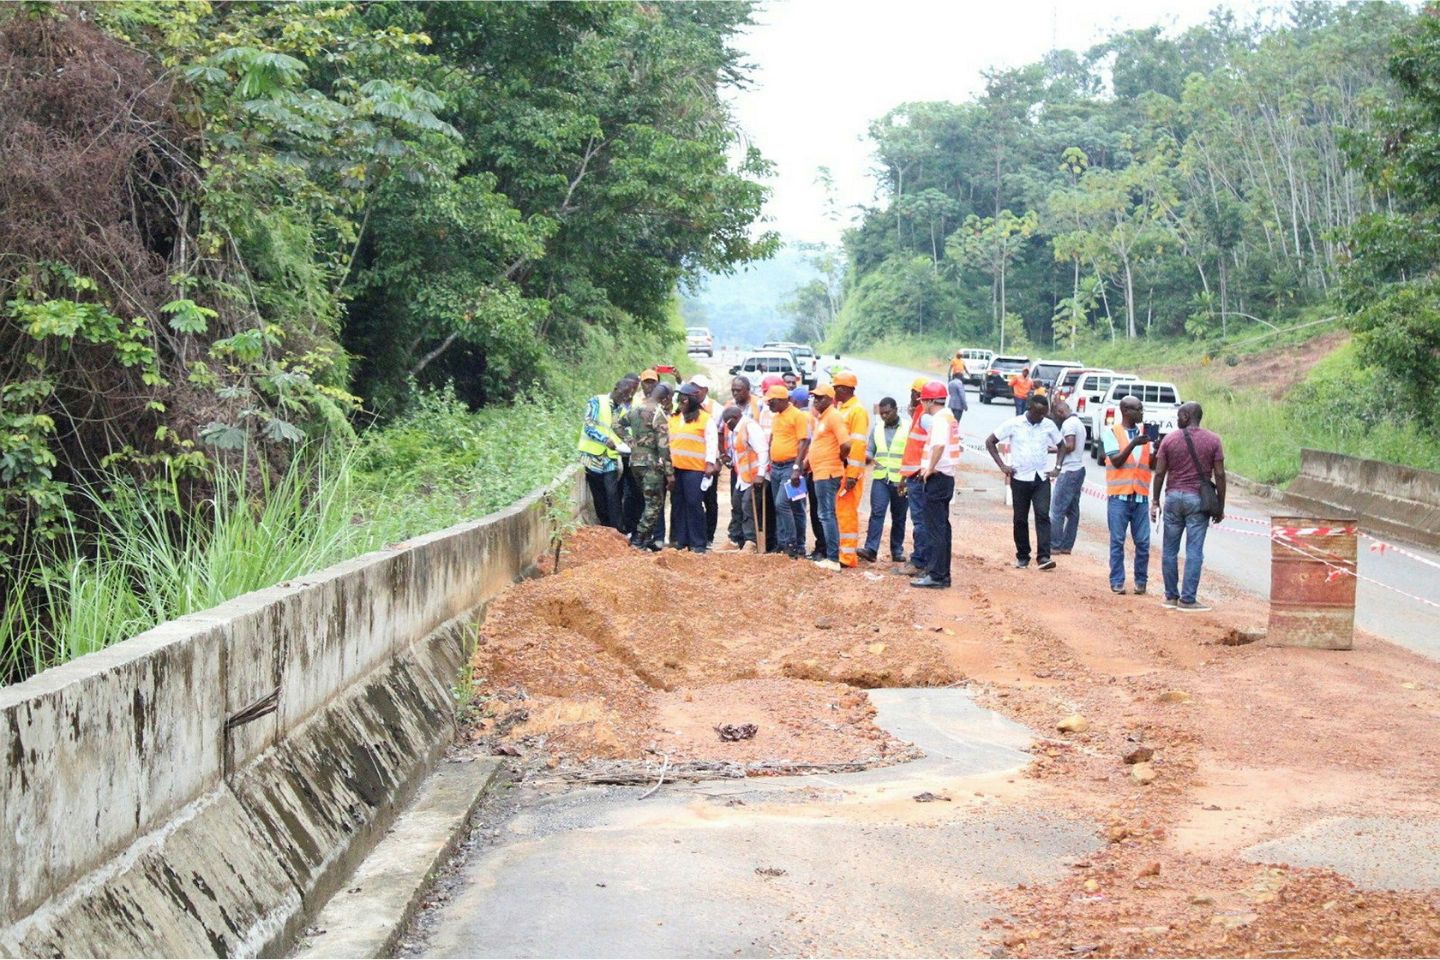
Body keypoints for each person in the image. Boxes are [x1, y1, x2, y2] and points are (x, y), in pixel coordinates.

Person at [1152, 402, 1226, 612]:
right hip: (1198, 500)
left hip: (1173, 497)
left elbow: (1159, 473)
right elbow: (1219, 475)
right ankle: (1188, 599)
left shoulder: (1169, 439)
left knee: (1169, 550)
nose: (1176, 419)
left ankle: (1170, 597)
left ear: (1185, 416)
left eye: (1178, 415)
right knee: (1194, 551)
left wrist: (1155, 501)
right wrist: (1220, 505)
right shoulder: (1213, 440)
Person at [986, 393, 1062, 571]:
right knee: (1020, 518)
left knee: (1043, 515)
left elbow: (1062, 445)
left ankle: (1044, 557)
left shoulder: (1048, 425)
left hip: (1041, 478)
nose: (1041, 417)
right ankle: (1022, 556)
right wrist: (1003, 466)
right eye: (1038, 413)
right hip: (1020, 478)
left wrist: (1057, 467)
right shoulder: (1014, 424)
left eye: (1044, 413)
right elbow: (990, 441)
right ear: (1029, 409)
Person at [1102, 395, 1156, 594]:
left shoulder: (1146, 435)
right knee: (1117, 541)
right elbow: (1116, 460)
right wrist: (1133, 444)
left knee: (1143, 542)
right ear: (1126, 412)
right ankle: (1117, 581)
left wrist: (1157, 449)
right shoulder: (1112, 433)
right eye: (1138, 409)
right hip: (1119, 497)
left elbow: (1153, 465)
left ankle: (1141, 581)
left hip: (1140, 497)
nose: (1142, 413)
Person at [912, 380, 961, 588]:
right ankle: (943, 573)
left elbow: (939, 445)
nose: (922, 404)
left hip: (938, 477)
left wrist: (929, 468)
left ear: (931, 400)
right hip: (946, 477)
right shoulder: (949, 417)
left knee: (935, 529)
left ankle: (936, 575)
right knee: (942, 528)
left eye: (923, 400)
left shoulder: (940, 420)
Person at [577, 377, 636, 529]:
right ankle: (604, 526)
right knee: (598, 493)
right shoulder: (597, 401)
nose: (625, 397)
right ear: (616, 388)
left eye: (628, 395)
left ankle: (616, 528)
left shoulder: (623, 410)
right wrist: (604, 439)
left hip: (610, 457)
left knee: (612, 492)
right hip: (591, 455)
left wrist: (631, 444)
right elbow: (589, 425)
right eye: (623, 393)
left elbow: (625, 432)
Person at [668, 383, 718, 552]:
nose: (680, 402)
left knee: (694, 503)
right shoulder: (674, 418)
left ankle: (698, 543)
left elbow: (712, 441)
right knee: (678, 503)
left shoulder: (704, 418)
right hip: (676, 468)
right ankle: (681, 541)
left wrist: (710, 463)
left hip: (694, 469)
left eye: (683, 399)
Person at [806, 384, 849, 571]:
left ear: (830, 399)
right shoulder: (822, 418)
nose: (816, 400)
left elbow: (846, 445)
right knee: (825, 513)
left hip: (828, 472)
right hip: (820, 472)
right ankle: (831, 556)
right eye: (815, 397)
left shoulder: (834, 417)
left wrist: (838, 459)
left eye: (820, 397)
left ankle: (832, 558)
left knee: (826, 514)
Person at [861, 397, 908, 563]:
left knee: (899, 516)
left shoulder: (907, 428)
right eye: (882, 413)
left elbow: (912, 453)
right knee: (877, 513)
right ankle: (871, 549)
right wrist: (867, 457)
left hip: (901, 480)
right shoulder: (877, 428)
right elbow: (870, 449)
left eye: (887, 412)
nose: (884, 416)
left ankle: (897, 550)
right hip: (881, 478)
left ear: (896, 410)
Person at [766, 384, 810, 558]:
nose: (769, 404)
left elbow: (804, 441)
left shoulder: (798, 416)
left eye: (772, 401)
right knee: (792, 506)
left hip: (790, 467)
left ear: (783, 400)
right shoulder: (776, 417)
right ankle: (784, 543)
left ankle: (793, 543)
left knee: (782, 504)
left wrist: (796, 468)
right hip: (776, 467)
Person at [627, 383, 673, 551]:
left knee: (647, 501)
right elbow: (663, 446)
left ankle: (645, 539)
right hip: (650, 464)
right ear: (666, 398)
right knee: (654, 503)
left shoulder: (636, 409)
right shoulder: (657, 413)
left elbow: (617, 423)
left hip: (635, 462)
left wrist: (629, 441)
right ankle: (638, 539)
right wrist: (670, 473)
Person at [832, 371, 869, 568]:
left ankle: (847, 557)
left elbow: (858, 445)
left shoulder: (857, 411)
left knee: (847, 512)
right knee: (839, 511)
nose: (833, 391)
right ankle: (840, 551)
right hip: (840, 469)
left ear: (843, 389)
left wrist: (853, 475)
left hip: (850, 472)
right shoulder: (842, 408)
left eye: (835, 387)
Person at [725, 376, 764, 551]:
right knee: (736, 503)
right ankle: (734, 540)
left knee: (749, 505)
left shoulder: (750, 427)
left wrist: (761, 474)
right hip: (743, 475)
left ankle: (751, 542)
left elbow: (763, 451)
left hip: (755, 475)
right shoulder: (737, 429)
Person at [898, 376, 932, 576]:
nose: (911, 397)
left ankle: (920, 561)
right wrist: (904, 477)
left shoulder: (926, 418)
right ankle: (921, 560)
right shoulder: (919, 414)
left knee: (921, 522)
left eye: (913, 393)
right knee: (920, 521)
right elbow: (912, 449)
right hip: (913, 475)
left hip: (920, 477)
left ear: (919, 395)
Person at [1048, 397, 1086, 555]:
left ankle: (1055, 545)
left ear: (1060, 412)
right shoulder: (1078, 422)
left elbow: (1069, 446)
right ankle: (1066, 545)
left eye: (1055, 415)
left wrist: (1050, 450)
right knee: (1072, 511)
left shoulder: (1069, 424)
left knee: (1056, 510)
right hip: (1078, 469)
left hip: (1069, 471)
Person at [690, 374, 720, 546]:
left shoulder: (716, 408)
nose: (694, 391)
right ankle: (695, 535)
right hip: (691, 463)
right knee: (694, 500)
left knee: (709, 500)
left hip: (708, 462)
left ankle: (708, 537)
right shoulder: (686, 406)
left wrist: (716, 461)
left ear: (705, 390)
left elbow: (721, 436)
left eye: (698, 388)